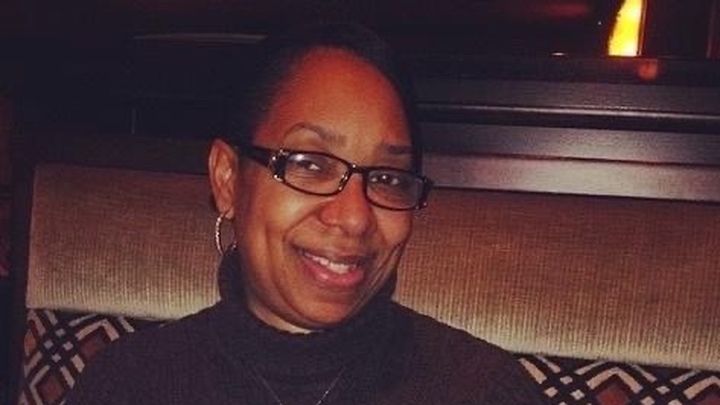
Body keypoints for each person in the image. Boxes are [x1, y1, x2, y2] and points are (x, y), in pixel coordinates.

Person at [65, 23, 547, 405]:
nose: (354, 217)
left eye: (387, 177)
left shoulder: (481, 390)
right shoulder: (130, 385)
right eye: (311, 164)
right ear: (228, 179)